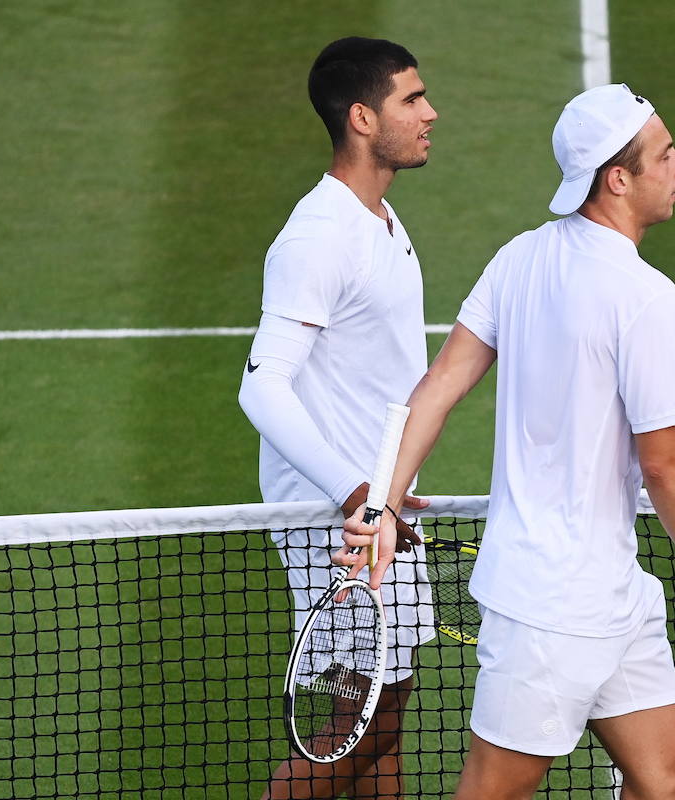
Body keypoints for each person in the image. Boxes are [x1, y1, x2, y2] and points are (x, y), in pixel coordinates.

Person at [338, 83, 675, 800]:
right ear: (618, 179)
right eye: (666, 154)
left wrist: (381, 497)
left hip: (615, 594)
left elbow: (438, 385)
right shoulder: (647, 297)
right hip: (550, 610)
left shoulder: (520, 257)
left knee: (665, 777)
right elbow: (667, 460)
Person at [237, 36, 438, 800]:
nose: (430, 113)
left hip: (373, 503)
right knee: (370, 723)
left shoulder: (380, 219)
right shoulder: (320, 234)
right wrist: (357, 493)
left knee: (381, 718)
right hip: (341, 515)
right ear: (361, 117)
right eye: (411, 100)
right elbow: (261, 390)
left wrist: (387, 484)